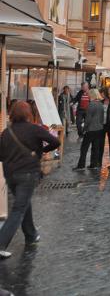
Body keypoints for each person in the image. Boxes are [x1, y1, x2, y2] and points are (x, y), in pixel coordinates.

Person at [0, 101, 61, 259]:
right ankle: (1, 243)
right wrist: (40, 150)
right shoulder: (34, 129)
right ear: (28, 114)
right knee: (19, 208)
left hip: (10, 174)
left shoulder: (7, 132)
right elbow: (56, 142)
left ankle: (31, 235)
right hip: (27, 174)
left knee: (23, 203)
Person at [73, 89, 105, 170]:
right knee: (95, 147)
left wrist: (84, 129)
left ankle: (81, 165)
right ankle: (93, 164)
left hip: (90, 129)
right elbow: (102, 118)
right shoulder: (101, 104)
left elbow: (88, 119)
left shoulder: (91, 104)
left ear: (92, 95)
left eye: (89, 95)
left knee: (84, 148)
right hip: (99, 129)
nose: (88, 96)